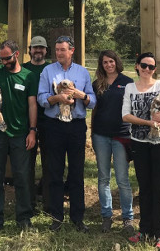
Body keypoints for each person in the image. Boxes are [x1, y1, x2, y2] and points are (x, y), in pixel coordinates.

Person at [38, 35, 96, 233]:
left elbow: (93, 101)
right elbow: (41, 98)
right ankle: (56, 216)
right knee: (54, 172)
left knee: (76, 173)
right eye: (57, 50)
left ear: (72, 51)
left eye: (63, 50)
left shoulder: (82, 72)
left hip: (76, 126)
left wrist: (82, 96)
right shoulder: (48, 71)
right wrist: (57, 97)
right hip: (54, 126)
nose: (59, 53)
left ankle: (77, 218)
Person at [122, 52, 160, 251]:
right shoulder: (129, 87)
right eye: (143, 65)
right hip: (139, 142)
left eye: (151, 67)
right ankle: (144, 229)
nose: (147, 70)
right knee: (144, 187)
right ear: (137, 66)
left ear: (155, 70)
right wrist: (147, 122)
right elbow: (125, 116)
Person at [0, 39, 37, 235]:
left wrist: (32, 130)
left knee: (22, 176)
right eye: (1, 58)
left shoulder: (28, 76)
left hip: (20, 134)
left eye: (7, 58)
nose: (4, 62)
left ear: (17, 54)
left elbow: (32, 105)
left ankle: (24, 218)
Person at [91, 50, 135, 234]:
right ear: (101, 65)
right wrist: (92, 132)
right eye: (105, 62)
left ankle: (128, 218)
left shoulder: (128, 83)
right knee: (103, 178)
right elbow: (94, 109)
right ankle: (106, 216)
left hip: (121, 135)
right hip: (100, 135)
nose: (108, 65)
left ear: (117, 61)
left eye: (111, 61)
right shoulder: (97, 84)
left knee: (123, 179)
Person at [22, 35, 50, 213]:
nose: (38, 51)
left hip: (49, 120)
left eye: (41, 48)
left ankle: (48, 200)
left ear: (46, 51)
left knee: (49, 162)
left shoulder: (51, 69)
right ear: (30, 50)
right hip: (27, 122)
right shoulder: (23, 69)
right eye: (35, 48)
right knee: (27, 162)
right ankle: (29, 200)